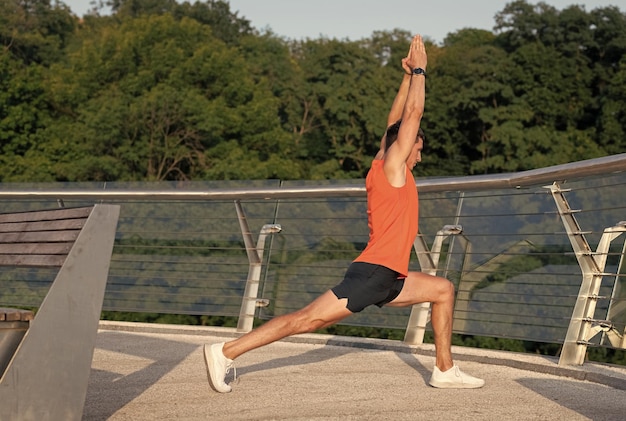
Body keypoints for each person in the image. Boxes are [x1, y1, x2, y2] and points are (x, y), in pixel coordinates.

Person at [204, 34, 484, 393]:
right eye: (418, 148)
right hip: (374, 273)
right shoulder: (394, 168)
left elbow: (395, 121)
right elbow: (412, 114)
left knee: (442, 289)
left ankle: (444, 369)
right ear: (404, 147)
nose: (419, 156)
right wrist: (419, 70)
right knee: (306, 320)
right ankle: (226, 351)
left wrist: (404, 79)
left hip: (389, 275)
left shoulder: (381, 162)